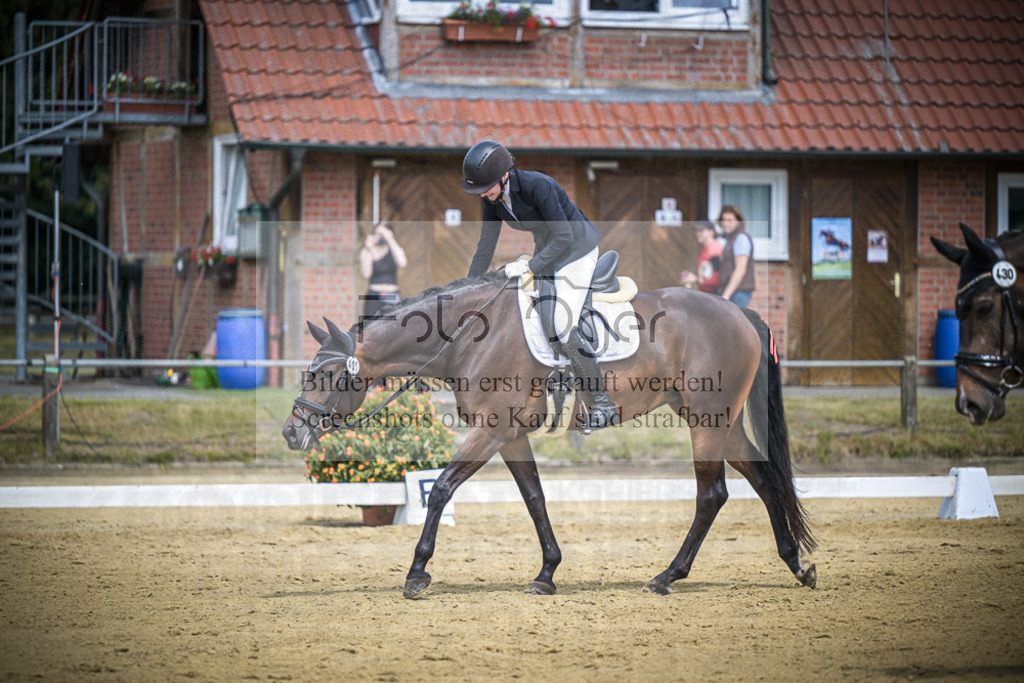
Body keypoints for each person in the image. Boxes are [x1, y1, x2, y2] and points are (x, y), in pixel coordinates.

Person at [461, 140, 619, 431]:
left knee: (561, 322)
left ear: (504, 176)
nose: (482, 194)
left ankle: (602, 404)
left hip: (577, 250)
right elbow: (485, 247)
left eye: (486, 187)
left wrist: (529, 267)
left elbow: (564, 237)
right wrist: (467, 290)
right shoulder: (492, 199)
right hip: (549, 253)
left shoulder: (538, 186)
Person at [359, 222, 407, 320]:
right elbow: (366, 274)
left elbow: (402, 263)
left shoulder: (394, 249)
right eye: (377, 234)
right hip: (374, 296)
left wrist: (390, 239)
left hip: (392, 295)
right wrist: (369, 248)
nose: (380, 237)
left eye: (382, 234)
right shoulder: (367, 251)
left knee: (395, 327)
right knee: (370, 328)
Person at [716, 205, 756, 307]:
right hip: (733, 292)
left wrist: (726, 295)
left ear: (738, 221)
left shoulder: (740, 239)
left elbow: (740, 270)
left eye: (730, 220)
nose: (725, 223)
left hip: (738, 293)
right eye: (723, 220)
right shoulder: (730, 239)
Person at [680, 220, 723, 293]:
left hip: (714, 295)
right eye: (697, 231)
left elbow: (716, 280)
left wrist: (695, 279)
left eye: (701, 231)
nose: (697, 234)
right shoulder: (704, 249)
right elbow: (706, 274)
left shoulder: (715, 250)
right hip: (706, 293)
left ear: (711, 232)